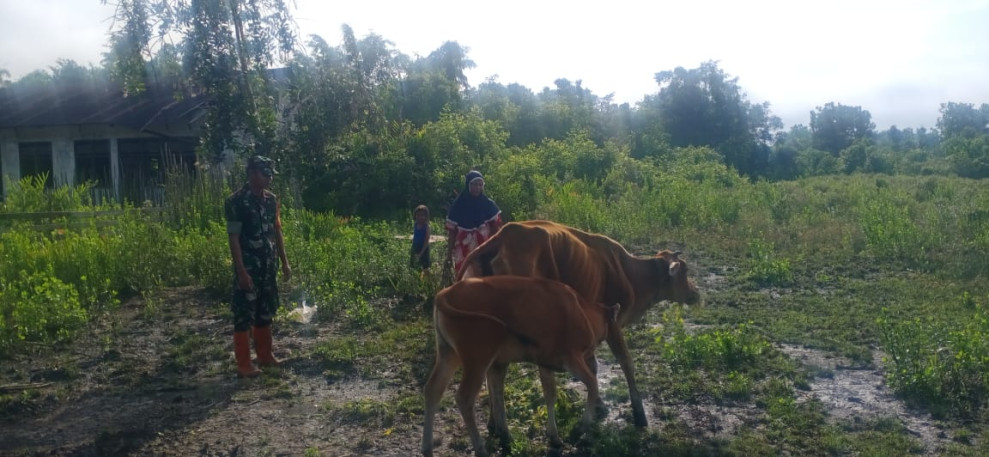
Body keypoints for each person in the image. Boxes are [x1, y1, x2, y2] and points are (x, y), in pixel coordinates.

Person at [224, 155, 292, 378]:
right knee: (244, 314)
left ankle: (265, 356)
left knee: (265, 311)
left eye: (271, 174)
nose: (269, 178)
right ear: (252, 173)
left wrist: (284, 262)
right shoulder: (236, 202)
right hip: (249, 268)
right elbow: (234, 238)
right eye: (265, 173)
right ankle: (244, 364)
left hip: (268, 266)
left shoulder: (271, 200)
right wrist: (241, 272)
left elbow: (277, 231)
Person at [445, 170, 502, 275]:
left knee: (485, 275)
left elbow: (496, 228)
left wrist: (495, 247)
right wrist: (448, 255)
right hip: (464, 249)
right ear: (468, 185)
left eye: (480, 185)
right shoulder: (458, 205)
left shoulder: (488, 204)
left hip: (484, 248)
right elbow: (452, 232)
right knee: (464, 275)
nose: (477, 188)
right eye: (474, 184)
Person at [411, 204, 432, 272]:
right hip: (415, 247)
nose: (420, 217)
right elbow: (415, 237)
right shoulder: (415, 224)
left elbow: (426, 242)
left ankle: (426, 278)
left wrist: (420, 254)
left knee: (425, 268)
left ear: (426, 216)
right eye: (418, 215)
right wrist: (413, 248)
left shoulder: (427, 227)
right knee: (413, 267)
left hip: (424, 249)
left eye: (422, 215)